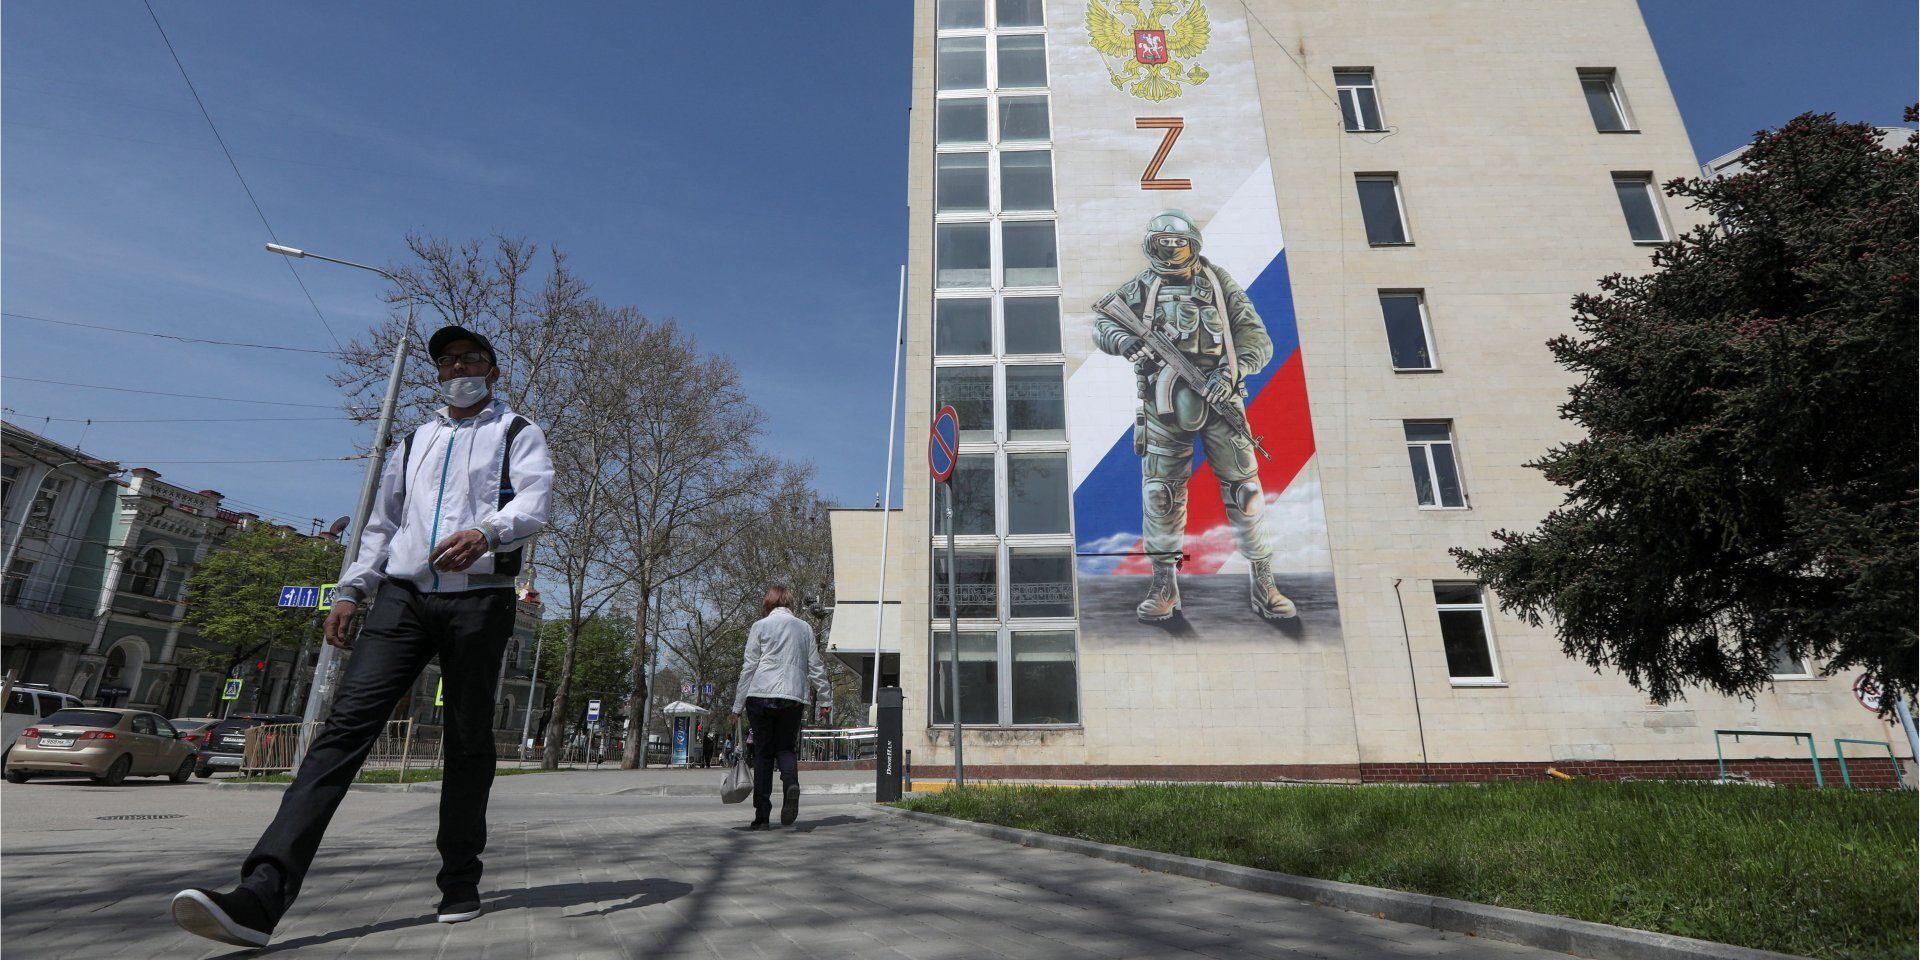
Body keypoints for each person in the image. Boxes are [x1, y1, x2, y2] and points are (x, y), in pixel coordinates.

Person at [169, 325, 552, 947]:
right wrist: (351, 589)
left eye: (469, 358)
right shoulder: (415, 440)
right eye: (446, 361)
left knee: (467, 739)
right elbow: (381, 523)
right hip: (402, 598)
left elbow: (534, 503)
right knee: (343, 730)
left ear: (492, 370)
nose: (456, 368)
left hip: (480, 599)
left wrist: (487, 532)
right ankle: (260, 896)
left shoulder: (517, 432)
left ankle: (460, 880)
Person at [1092, 210, 1296, 623]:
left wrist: (1230, 372)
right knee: (1161, 494)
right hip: (1162, 404)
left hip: (1221, 399)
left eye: (1178, 244)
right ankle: (1164, 585)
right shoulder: (1142, 287)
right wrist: (1123, 340)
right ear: (1151, 246)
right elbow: (1102, 323)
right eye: (1163, 244)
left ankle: (1264, 580)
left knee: (1246, 492)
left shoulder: (1219, 284)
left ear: (1193, 245)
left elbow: (1257, 339)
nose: (1171, 251)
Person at [730, 586, 831, 829]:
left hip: (760, 695)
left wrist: (737, 705)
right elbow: (815, 666)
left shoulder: (760, 626)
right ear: (789, 602)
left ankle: (762, 817)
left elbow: (749, 666)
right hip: (792, 697)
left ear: (768, 602)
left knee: (763, 755)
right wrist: (825, 699)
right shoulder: (804, 628)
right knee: (786, 748)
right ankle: (791, 785)